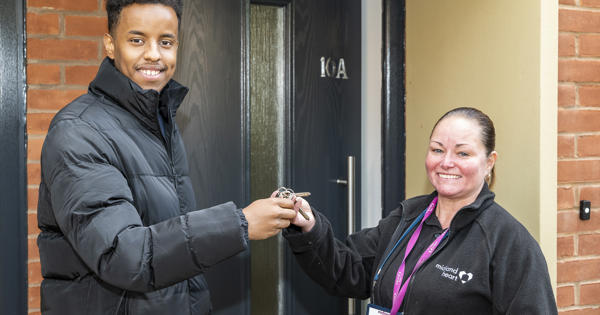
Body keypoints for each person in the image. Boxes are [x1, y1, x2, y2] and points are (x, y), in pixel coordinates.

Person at [36, 1, 297, 314]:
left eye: (166, 42)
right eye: (137, 40)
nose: (154, 54)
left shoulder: (160, 121)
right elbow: (123, 254)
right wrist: (240, 223)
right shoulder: (78, 131)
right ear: (110, 44)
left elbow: (173, 247)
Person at [283, 107, 557, 314]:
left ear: (489, 162)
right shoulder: (406, 217)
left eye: (463, 153)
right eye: (438, 150)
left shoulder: (509, 242)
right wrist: (308, 225)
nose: (447, 162)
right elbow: (348, 270)